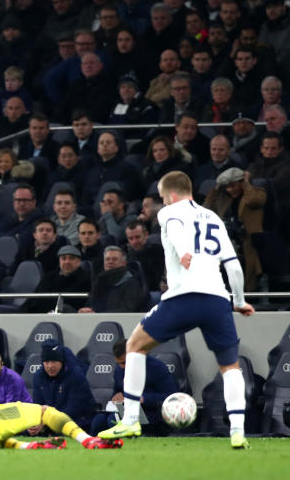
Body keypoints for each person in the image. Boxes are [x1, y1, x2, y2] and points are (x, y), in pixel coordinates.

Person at [99, 171, 254, 450]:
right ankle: (238, 432)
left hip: (183, 297)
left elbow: (176, 230)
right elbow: (233, 266)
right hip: (217, 299)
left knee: (134, 346)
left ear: (170, 195)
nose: (162, 202)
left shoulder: (169, 212)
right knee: (230, 367)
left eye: (161, 197)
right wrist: (240, 302)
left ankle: (131, 419)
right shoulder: (215, 219)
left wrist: (183, 251)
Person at [91, 339, 177, 435]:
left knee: (113, 419)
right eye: (118, 363)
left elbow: (171, 398)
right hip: (126, 410)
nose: (121, 367)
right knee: (98, 421)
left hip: (151, 414)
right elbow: (117, 391)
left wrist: (143, 399)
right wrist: (116, 396)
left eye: (124, 363)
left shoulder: (157, 368)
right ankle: (93, 446)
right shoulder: (120, 370)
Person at [32, 340, 97, 429]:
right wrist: (36, 422)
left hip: (78, 421)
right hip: (50, 421)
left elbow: (73, 409)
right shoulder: (39, 377)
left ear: (61, 362)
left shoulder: (76, 375)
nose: (50, 366)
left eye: (54, 361)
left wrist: (46, 421)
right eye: (46, 362)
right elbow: (37, 404)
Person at [84, 246, 148, 313]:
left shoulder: (131, 283)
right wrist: (86, 310)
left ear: (123, 263)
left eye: (114, 259)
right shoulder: (99, 281)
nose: (110, 262)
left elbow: (129, 309)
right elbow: (90, 305)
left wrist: (99, 315)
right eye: (107, 259)